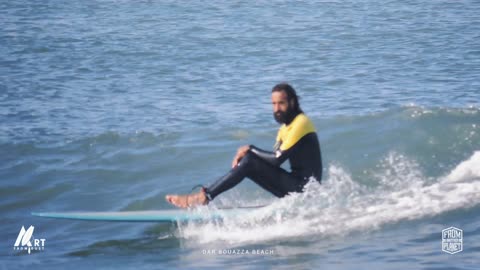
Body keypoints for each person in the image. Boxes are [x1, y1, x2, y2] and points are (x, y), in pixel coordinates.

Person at [165, 83, 322, 208]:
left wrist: (250, 149)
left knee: (249, 160)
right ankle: (206, 196)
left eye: (281, 103)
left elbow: (276, 160)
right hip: (297, 188)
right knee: (249, 161)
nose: (276, 109)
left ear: (292, 102)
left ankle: (204, 197)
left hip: (306, 189)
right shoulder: (284, 129)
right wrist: (245, 160)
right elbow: (269, 163)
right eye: (273, 104)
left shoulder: (301, 122)